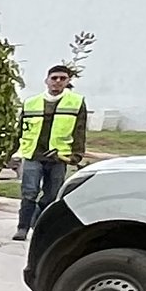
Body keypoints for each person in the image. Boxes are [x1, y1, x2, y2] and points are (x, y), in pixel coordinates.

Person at [15, 64, 89, 235]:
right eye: (54, 78)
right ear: (46, 80)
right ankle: (22, 227)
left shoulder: (76, 102)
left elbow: (80, 130)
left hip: (58, 156)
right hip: (34, 154)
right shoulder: (31, 103)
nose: (57, 82)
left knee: (52, 195)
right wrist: (12, 152)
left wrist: (77, 154)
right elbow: (20, 129)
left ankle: (39, 224)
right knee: (29, 192)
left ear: (68, 81)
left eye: (62, 78)